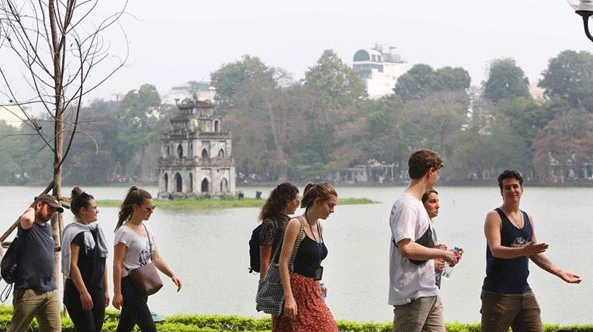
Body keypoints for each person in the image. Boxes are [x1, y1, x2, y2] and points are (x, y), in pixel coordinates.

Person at [481, 170, 581, 332]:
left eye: (515, 186)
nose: (512, 190)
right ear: (501, 192)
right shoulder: (494, 216)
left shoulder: (527, 217)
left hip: (524, 292)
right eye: (507, 188)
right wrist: (523, 250)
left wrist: (559, 272)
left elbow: (534, 252)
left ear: (521, 189)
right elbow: (496, 250)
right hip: (498, 294)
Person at [388, 149, 461, 332]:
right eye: (437, 173)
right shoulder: (407, 205)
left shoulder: (417, 205)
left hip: (429, 289)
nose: (437, 177)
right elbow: (406, 248)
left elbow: (416, 244)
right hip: (413, 294)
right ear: (430, 172)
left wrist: (439, 252)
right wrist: (442, 253)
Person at [112, 186, 182, 332]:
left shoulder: (147, 228)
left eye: (153, 208)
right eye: (148, 209)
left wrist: (172, 275)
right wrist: (117, 293)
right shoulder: (124, 232)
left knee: (125, 327)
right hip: (129, 284)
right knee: (149, 328)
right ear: (135, 207)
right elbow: (117, 264)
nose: (151, 212)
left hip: (143, 283)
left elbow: (156, 258)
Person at [274, 183, 339, 332]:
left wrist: (319, 285)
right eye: (330, 205)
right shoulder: (296, 224)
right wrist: (289, 297)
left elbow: (313, 261)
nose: (332, 210)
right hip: (296, 289)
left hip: (313, 288)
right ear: (317, 202)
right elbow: (283, 262)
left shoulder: (319, 227)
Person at [8, 194, 64, 332]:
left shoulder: (48, 228)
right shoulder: (27, 226)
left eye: (55, 210)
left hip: (50, 289)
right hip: (29, 289)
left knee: (54, 330)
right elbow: (26, 218)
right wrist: (33, 207)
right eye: (50, 208)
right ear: (39, 205)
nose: (52, 212)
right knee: (17, 329)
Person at [62, 187, 109, 332]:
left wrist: (106, 290)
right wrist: (83, 292)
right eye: (94, 208)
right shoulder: (74, 233)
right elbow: (72, 265)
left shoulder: (96, 231)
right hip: (78, 293)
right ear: (83, 210)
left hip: (96, 290)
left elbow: (103, 261)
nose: (97, 210)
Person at [259, 182, 300, 280]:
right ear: (287, 202)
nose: (297, 205)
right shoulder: (270, 224)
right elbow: (265, 260)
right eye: (296, 201)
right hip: (275, 278)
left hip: (290, 276)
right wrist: (263, 285)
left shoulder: (291, 222)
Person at [421, 189, 445, 289]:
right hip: (421, 290)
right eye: (432, 202)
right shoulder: (419, 230)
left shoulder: (431, 230)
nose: (438, 206)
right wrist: (432, 265)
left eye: (437, 201)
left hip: (432, 288)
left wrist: (445, 254)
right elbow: (410, 260)